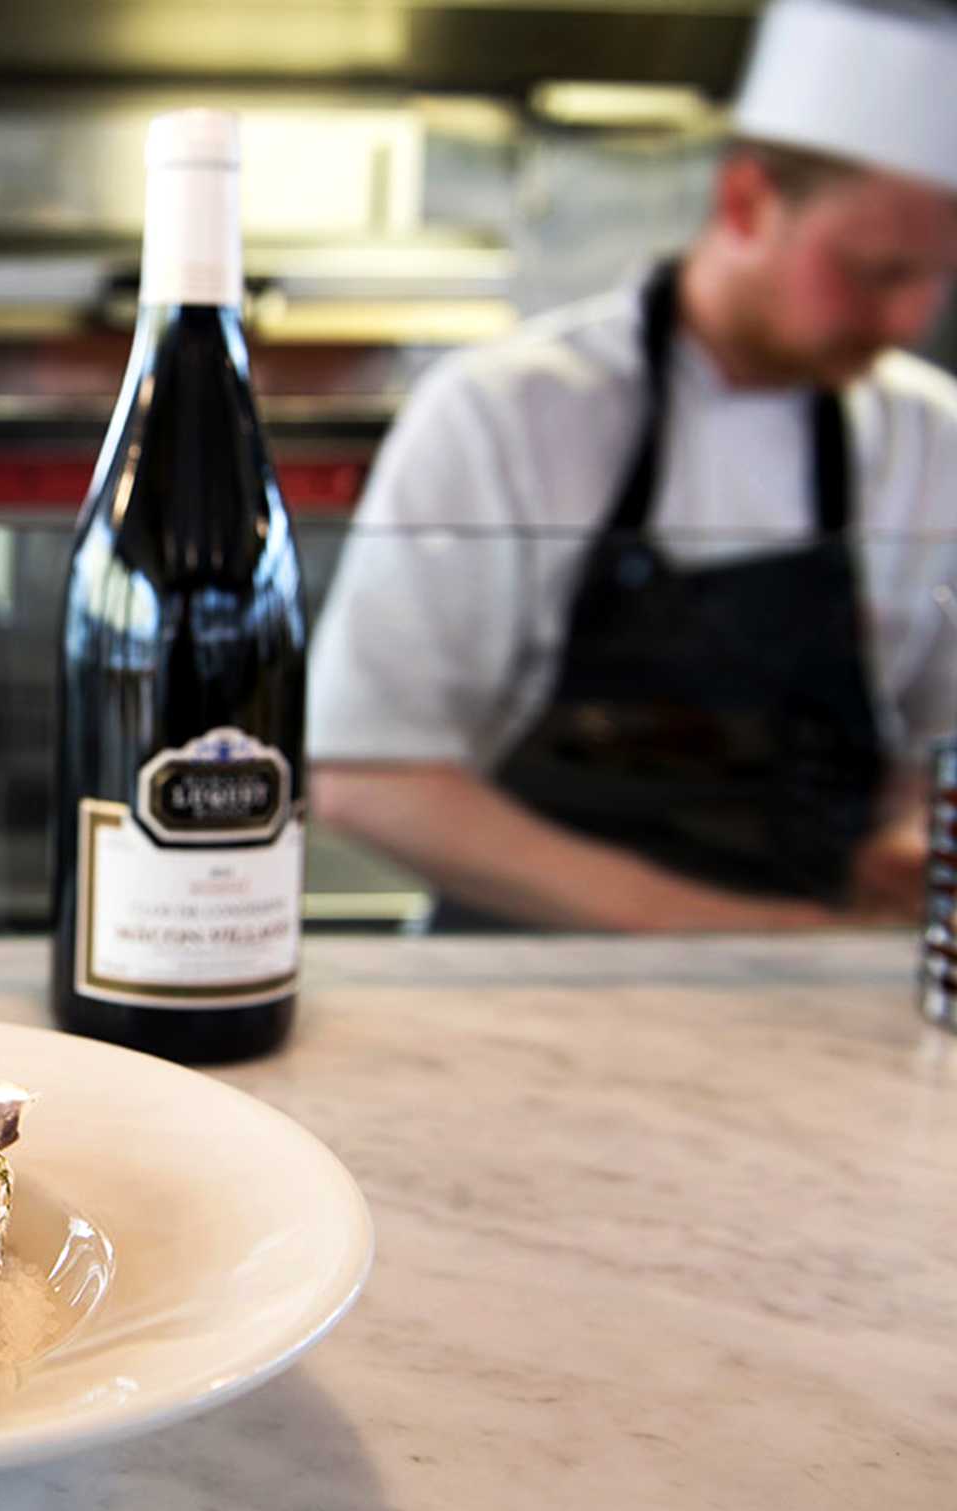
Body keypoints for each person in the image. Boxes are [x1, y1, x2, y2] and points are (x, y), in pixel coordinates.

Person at [309, 0, 957, 931]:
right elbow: (367, 777)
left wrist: (905, 838)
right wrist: (735, 937)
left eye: (933, 280)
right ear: (745, 203)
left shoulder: (929, 439)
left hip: (832, 986)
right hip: (522, 981)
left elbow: (937, 747)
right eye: (874, 273)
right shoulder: (507, 413)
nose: (905, 322)